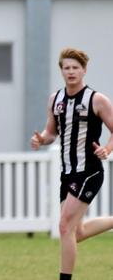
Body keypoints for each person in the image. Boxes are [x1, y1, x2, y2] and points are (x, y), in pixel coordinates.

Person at [30, 48, 113, 280]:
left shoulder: (96, 99)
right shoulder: (55, 100)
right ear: (62, 71)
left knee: (64, 226)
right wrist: (40, 139)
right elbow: (50, 132)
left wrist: (106, 149)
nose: (71, 72)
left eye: (75, 67)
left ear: (84, 70)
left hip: (89, 171)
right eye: (67, 68)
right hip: (67, 174)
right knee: (76, 232)